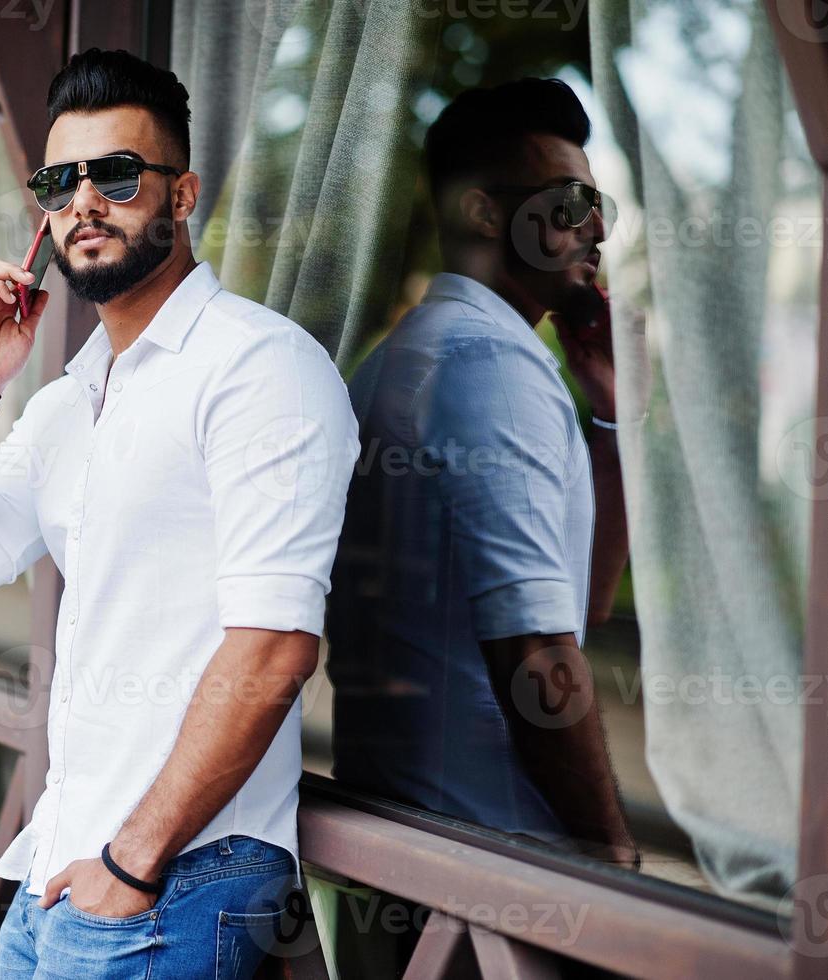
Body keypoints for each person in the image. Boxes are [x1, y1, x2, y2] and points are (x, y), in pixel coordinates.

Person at [0, 48, 359, 979]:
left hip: (178, 873)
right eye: (60, 182)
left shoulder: (259, 367)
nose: (84, 202)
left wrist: (133, 862)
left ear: (181, 197)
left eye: (116, 173)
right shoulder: (69, 400)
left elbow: (272, 648)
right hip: (58, 865)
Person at [328, 78, 639, 870]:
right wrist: (614, 861)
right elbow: (537, 654)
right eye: (569, 203)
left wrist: (606, 412)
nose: (597, 227)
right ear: (483, 213)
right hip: (493, 865)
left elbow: (582, 603)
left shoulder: (403, 358)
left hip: (412, 843)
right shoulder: (491, 368)